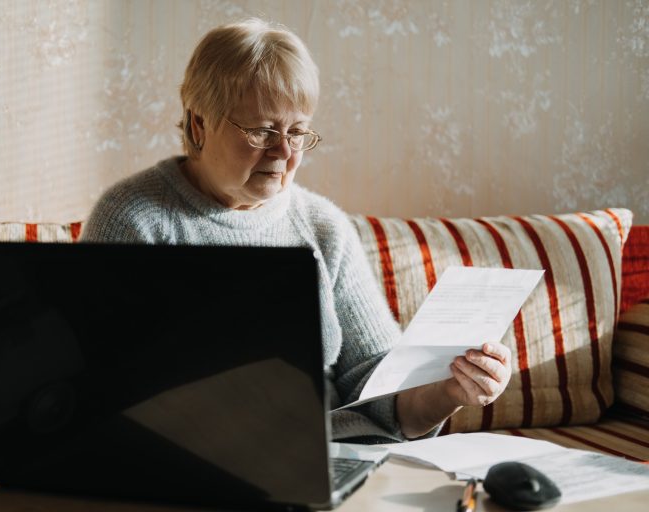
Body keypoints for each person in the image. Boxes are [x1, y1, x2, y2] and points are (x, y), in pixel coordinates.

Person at [82, 18, 511, 443]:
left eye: (298, 132)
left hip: (327, 454)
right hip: (181, 452)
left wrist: (449, 391)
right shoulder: (133, 218)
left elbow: (382, 395)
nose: (284, 151)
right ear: (199, 125)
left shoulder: (323, 227)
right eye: (262, 131)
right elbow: (94, 381)